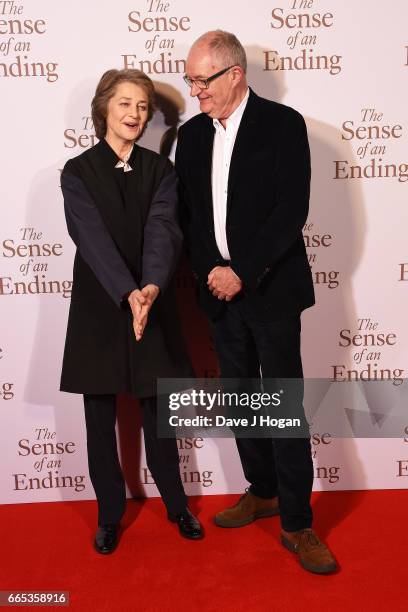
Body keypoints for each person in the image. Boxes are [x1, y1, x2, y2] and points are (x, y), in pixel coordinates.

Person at [175, 31, 337, 574]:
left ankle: (297, 521)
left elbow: (291, 211)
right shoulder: (192, 136)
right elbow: (190, 218)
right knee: (242, 400)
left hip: (269, 290)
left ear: (235, 75)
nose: (194, 91)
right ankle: (262, 491)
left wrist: (241, 272)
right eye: (191, 80)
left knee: (284, 405)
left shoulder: (283, 125)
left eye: (202, 80)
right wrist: (212, 274)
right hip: (219, 295)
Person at [60, 68, 203, 554]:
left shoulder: (161, 171)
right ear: (104, 109)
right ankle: (108, 516)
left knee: (160, 413)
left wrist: (150, 289)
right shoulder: (77, 172)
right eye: (124, 104)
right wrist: (127, 293)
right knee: (99, 420)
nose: (134, 115)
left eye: (142, 107)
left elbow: (165, 230)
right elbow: (91, 239)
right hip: (100, 307)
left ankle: (177, 505)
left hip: (152, 301)